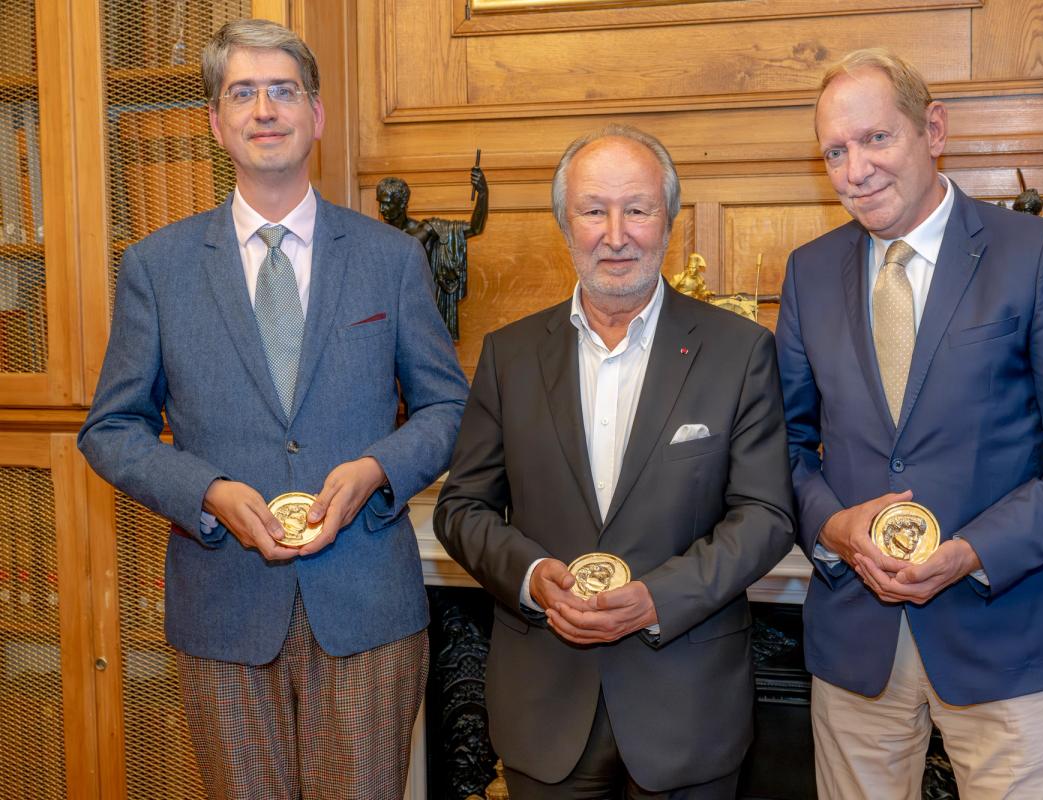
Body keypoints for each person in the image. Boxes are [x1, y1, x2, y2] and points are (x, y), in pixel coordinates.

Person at [77, 19, 468, 800]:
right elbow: (110, 429)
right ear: (216, 123)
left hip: (366, 608)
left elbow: (447, 405)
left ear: (315, 117)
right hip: (223, 606)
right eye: (243, 93)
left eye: (283, 91)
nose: (265, 110)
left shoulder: (390, 258)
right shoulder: (157, 266)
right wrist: (206, 492)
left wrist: (375, 468)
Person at [775, 47, 1043, 797]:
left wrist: (972, 550)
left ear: (932, 129)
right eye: (835, 151)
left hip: (1000, 635)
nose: (856, 170)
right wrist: (836, 531)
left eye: (877, 139)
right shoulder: (808, 274)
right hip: (854, 642)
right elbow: (782, 443)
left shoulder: (1030, 254)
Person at [434, 124, 795, 799]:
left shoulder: (739, 350)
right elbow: (462, 508)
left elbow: (767, 515)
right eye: (594, 210)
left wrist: (658, 597)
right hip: (545, 706)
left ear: (669, 220)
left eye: (638, 208)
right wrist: (535, 574)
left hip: (687, 709)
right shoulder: (508, 355)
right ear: (564, 224)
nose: (616, 233)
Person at [376, 168, 489, 340]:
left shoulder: (429, 230)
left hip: (420, 314)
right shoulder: (374, 234)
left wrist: (483, 193)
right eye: (380, 203)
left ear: (403, 203)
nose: (383, 209)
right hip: (385, 314)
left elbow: (475, 228)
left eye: (388, 203)